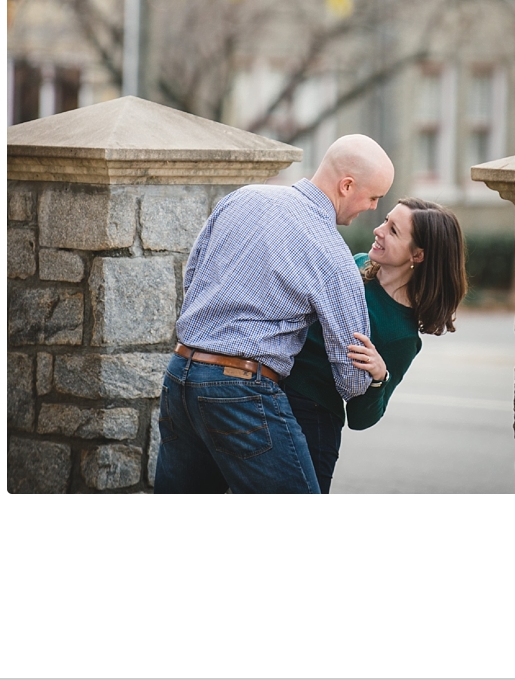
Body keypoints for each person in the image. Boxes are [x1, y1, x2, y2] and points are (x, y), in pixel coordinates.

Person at [153, 135, 394, 494]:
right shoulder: (332, 252)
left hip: (180, 375)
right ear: (347, 186)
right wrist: (376, 375)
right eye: (373, 197)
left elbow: (193, 275)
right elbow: (351, 379)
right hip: (240, 390)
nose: (373, 208)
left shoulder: (243, 197)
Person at [282, 199, 466, 492]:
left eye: (393, 230)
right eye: (385, 220)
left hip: (312, 423)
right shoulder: (354, 264)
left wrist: (380, 377)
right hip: (269, 389)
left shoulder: (401, 335)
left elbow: (361, 419)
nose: (379, 230)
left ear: (417, 254)